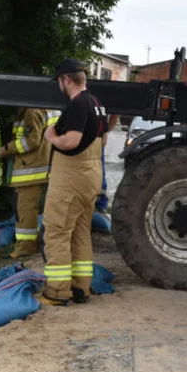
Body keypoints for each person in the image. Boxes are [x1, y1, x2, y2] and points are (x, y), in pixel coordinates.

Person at [40, 58, 108, 305]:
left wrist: (51, 137)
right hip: (91, 176)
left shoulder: (78, 105)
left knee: (57, 231)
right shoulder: (97, 104)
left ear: (66, 79)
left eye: (59, 81)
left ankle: (57, 291)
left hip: (71, 178)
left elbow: (71, 141)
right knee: (80, 232)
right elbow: (105, 140)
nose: (59, 85)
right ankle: (81, 287)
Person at [0, 106, 60, 257]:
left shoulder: (32, 112)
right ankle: (32, 244)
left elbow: (31, 141)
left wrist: (7, 148)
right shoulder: (45, 107)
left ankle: (25, 247)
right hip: (40, 167)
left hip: (30, 170)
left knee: (25, 210)